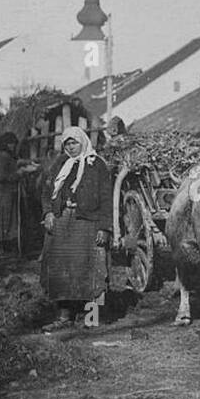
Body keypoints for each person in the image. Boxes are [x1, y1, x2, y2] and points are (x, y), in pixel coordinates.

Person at [39, 127, 112, 332]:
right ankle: (64, 317)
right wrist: (48, 213)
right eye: (67, 144)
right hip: (63, 222)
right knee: (62, 271)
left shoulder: (97, 165)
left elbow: (106, 199)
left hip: (87, 223)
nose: (71, 147)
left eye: (74, 143)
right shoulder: (60, 164)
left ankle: (91, 318)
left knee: (90, 270)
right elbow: (46, 191)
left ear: (83, 142)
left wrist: (104, 228)